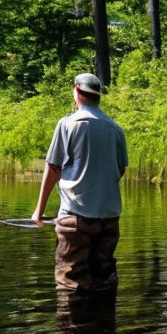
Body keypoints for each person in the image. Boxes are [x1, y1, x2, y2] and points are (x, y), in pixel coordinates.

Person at [32, 73, 128, 293]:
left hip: (75, 219)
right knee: (105, 281)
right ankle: (104, 325)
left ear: (76, 90)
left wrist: (39, 211)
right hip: (109, 220)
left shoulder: (67, 125)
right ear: (98, 97)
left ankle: (72, 328)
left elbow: (54, 168)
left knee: (71, 285)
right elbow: (120, 169)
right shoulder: (116, 130)